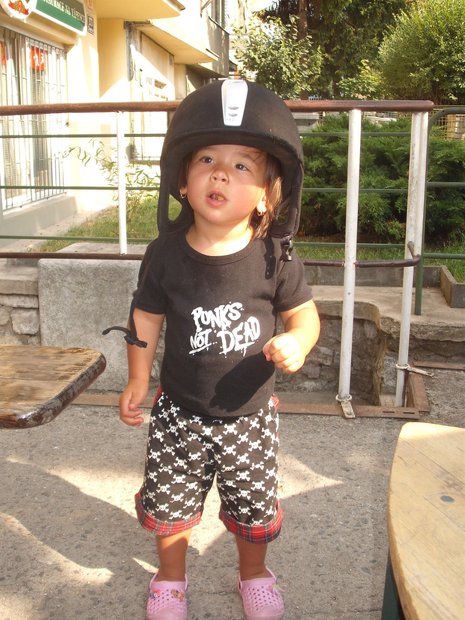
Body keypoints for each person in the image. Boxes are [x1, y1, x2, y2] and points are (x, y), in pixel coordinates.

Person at [115, 79, 320, 620]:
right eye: (207, 159)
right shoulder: (164, 254)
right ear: (182, 181)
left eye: (242, 165)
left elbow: (304, 315)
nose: (221, 173)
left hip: (249, 419)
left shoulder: (276, 258)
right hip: (178, 413)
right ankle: (169, 579)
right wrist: (138, 378)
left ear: (267, 196)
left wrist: (298, 341)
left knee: (253, 508)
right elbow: (145, 317)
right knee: (170, 503)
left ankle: (254, 576)